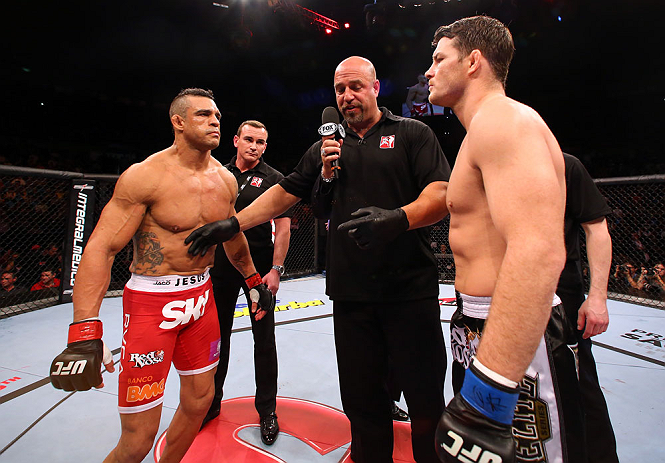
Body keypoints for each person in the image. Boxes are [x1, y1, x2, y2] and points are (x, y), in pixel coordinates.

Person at [185, 56, 451, 463]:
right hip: (351, 296)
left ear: (376, 88)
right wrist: (232, 224)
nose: (347, 96)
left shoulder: (412, 133)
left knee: (425, 401)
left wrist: (397, 219)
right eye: (340, 89)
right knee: (362, 406)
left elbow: (441, 195)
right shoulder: (325, 148)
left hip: (409, 292)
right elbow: (285, 193)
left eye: (356, 87)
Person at [49, 88, 274, 463]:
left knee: (200, 401)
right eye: (203, 115)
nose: (214, 121)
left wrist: (252, 281)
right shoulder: (146, 176)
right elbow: (101, 247)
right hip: (153, 304)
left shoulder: (225, 179)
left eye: (217, 116)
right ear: (178, 121)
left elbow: (232, 237)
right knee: (138, 440)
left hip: (201, 300)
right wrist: (84, 329)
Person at [425, 16, 583, 462]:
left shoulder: (503, 119)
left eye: (439, 59)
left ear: (474, 62)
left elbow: (538, 249)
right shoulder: (479, 133)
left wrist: (491, 387)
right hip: (478, 324)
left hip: (514, 334)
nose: (429, 71)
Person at [201, 120, 292, 446]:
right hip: (221, 270)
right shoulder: (217, 174)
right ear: (236, 140)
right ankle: (210, 404)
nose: (255, 146)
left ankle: (267, 410)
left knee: (264, 341)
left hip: (259, 271)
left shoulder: (274, 180)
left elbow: (282, 229)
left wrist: (277, 269)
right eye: (250, 140)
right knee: (216, 339)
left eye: (261, 142)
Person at [557, 153, 619, 463]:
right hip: (503, 294)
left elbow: (596, 228)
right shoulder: (484, 167)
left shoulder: (563, 164)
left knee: (580, 386)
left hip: (561, 292)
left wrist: (597, 298)